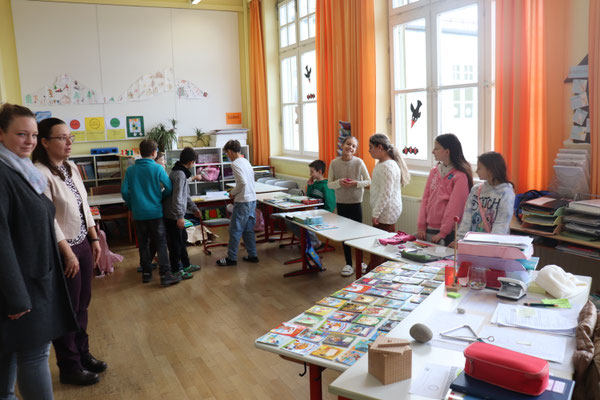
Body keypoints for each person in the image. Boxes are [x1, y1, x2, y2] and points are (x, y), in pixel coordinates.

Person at [0, 104, 77, 399]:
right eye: (21, 134)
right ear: (1, 134)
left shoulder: (23, 171)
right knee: (33, 355)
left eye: (33, 134)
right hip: (22, 288)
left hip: (34, 280)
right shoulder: (5, 175)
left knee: (11, 352)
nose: (30, 141)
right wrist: (16, 296)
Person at [32, 117, 107, 386]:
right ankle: (69, 366)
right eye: (61, 138)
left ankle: (83, 354)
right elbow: (49, 218)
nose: (68, 143)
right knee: (67, 309)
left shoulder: (71, 167)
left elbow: (84, 205)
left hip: (82, 243)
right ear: (44, 142)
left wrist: (94, 238)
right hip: (63, 249)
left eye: (69, 137)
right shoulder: (39, 173)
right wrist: (68, 252)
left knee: (82, 303)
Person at [121, 139, 181, 286]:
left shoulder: (131, 170)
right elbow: (169, 188)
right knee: (161, 243)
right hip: (155, 212)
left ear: (140, 152)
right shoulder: (158, 168)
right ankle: (165, 275)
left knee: (143, 243)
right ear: (154, 153)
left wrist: (132, 206)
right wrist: (160, 197)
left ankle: (146, 273)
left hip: (138, 214)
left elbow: (124, 192)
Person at [416, 134, 473, 246]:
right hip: (429, 229)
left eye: (436, 148)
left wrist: (443, 232)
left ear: (447, 152)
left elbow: (455, 208)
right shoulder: (434, 171)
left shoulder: (460, 176)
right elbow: (425, 199)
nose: (433, 152)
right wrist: (421, 226)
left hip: (447, 232)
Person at [327, 136, 371, 277]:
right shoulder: (334, 163)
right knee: (344, 233)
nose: (350, 148)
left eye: (353, 146)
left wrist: (356, 183)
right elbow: (329, 184)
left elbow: (368, 181)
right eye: (348, 144)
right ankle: (348, 263)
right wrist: (339, 182)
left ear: (355, 149)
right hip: (341, 202)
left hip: (356, 202)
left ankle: (361, 261)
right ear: (342, 145)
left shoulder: (359, 162)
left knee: (358, 233)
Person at [453, 151, 515, 246]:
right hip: (471, 243)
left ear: (490, 170)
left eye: (479, 168)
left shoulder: (506, 193)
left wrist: (490, 245)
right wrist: (460, 240)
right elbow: (467, 217)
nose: (476, 171)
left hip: (493, 246)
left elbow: (501, 224)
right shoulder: (476, 189)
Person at [368, 133, 410, 269]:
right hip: (384, 210)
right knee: (382, 245)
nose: (369, 150)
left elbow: (385, 194)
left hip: (386, 212)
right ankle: (375, 269)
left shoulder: (388, 166)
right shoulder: (382, 164)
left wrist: (376, 213)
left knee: (381, 247)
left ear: (380, 147)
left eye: (371, 147)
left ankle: (375, 271)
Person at [216, 140, 258, 266]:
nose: (227, 156)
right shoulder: (246, 161)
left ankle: (232, 258)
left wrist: (233, 193)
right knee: (248, 230)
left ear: (230, 151)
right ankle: (253, 255)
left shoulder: (235, 163)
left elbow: (242, 182)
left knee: (235, 230)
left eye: (227, 153)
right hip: (252, 199)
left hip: (243, 201)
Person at [163, 147, 202, 278]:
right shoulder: (179, 174)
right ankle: (176, 270)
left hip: (176, 213)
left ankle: (186, 265)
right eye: (194, 162)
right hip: (173, 215)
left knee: (182, 239)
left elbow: (185, 195)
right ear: (191, 162)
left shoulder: (179, 171)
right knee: (176, 244)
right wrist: (180, 216)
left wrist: (194, 208)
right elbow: (177, 198)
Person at [285, 160, 336, 247]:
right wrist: (310, 185)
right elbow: (309, 198)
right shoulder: (314, 183)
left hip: (321, 214)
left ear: (319, 172)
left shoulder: (327, 185)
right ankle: (307, 240)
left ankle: (315, 242)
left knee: (305, 221)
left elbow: (330, 205)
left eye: (312, 172)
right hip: (311, 211)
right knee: (289, 221)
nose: (310, 174)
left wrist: (323, 214)